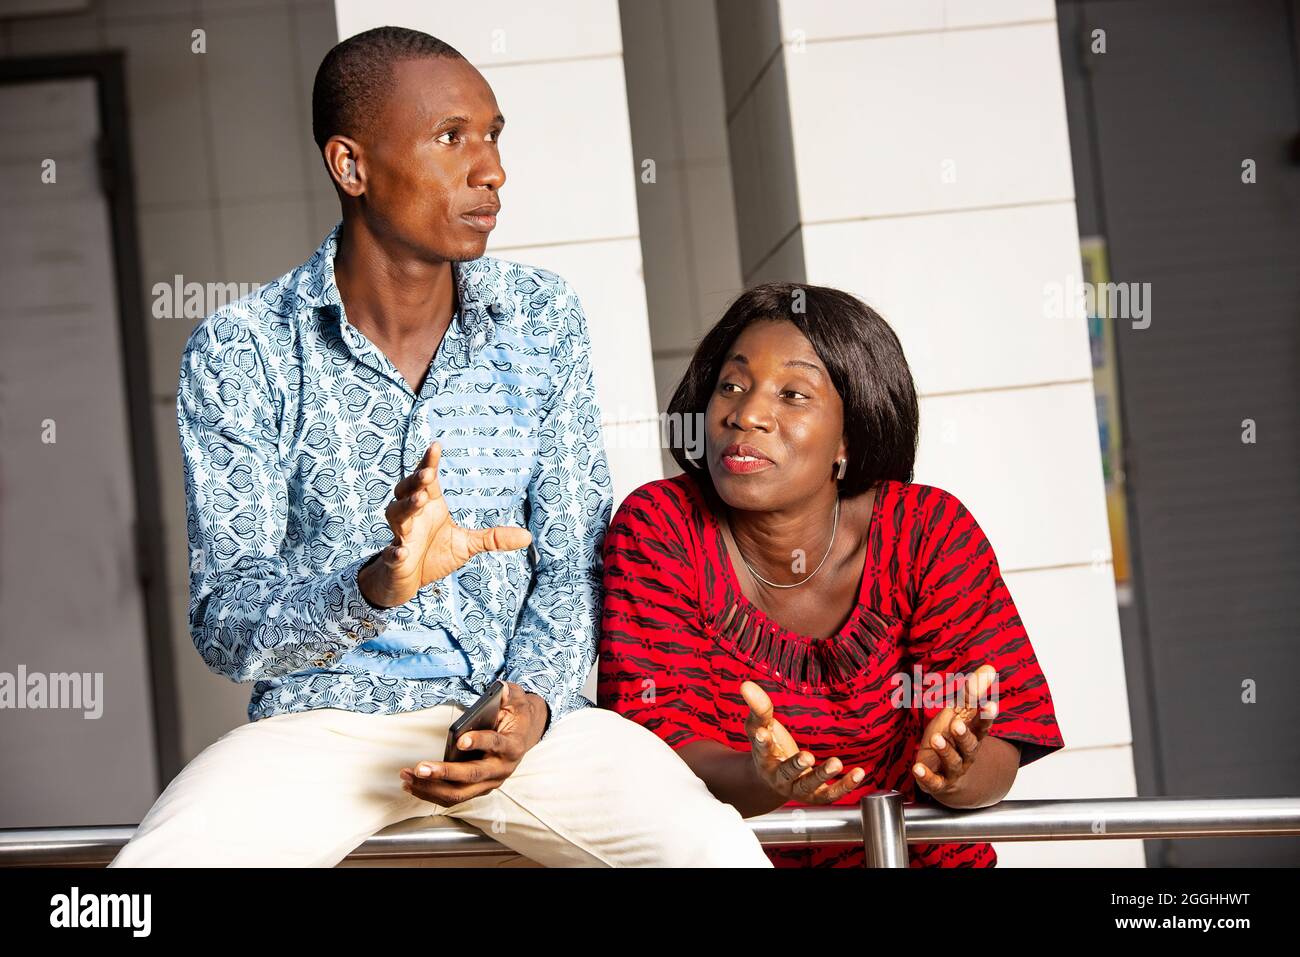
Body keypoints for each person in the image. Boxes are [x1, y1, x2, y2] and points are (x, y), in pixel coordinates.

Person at [111, 26, 770, 868]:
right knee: (143, 881)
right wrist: (371, 587)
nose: (490, 168)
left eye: (493, 136)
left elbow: (575, 557)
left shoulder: (541, 317)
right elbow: (225, 623)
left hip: (519, 715)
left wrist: (530, 703)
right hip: (325, 725)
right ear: (350, 166)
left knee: (715, 849)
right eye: (451, 137)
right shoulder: (243, 351)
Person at [597, 282, 1066, 866]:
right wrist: (763, 774)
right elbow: (650, 756)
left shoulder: (926, 531)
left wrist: (957, 773)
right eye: (732, 386)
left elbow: (997, 753)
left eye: (793, 394)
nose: (747, 415)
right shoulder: (661, 528)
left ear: (849, 434)